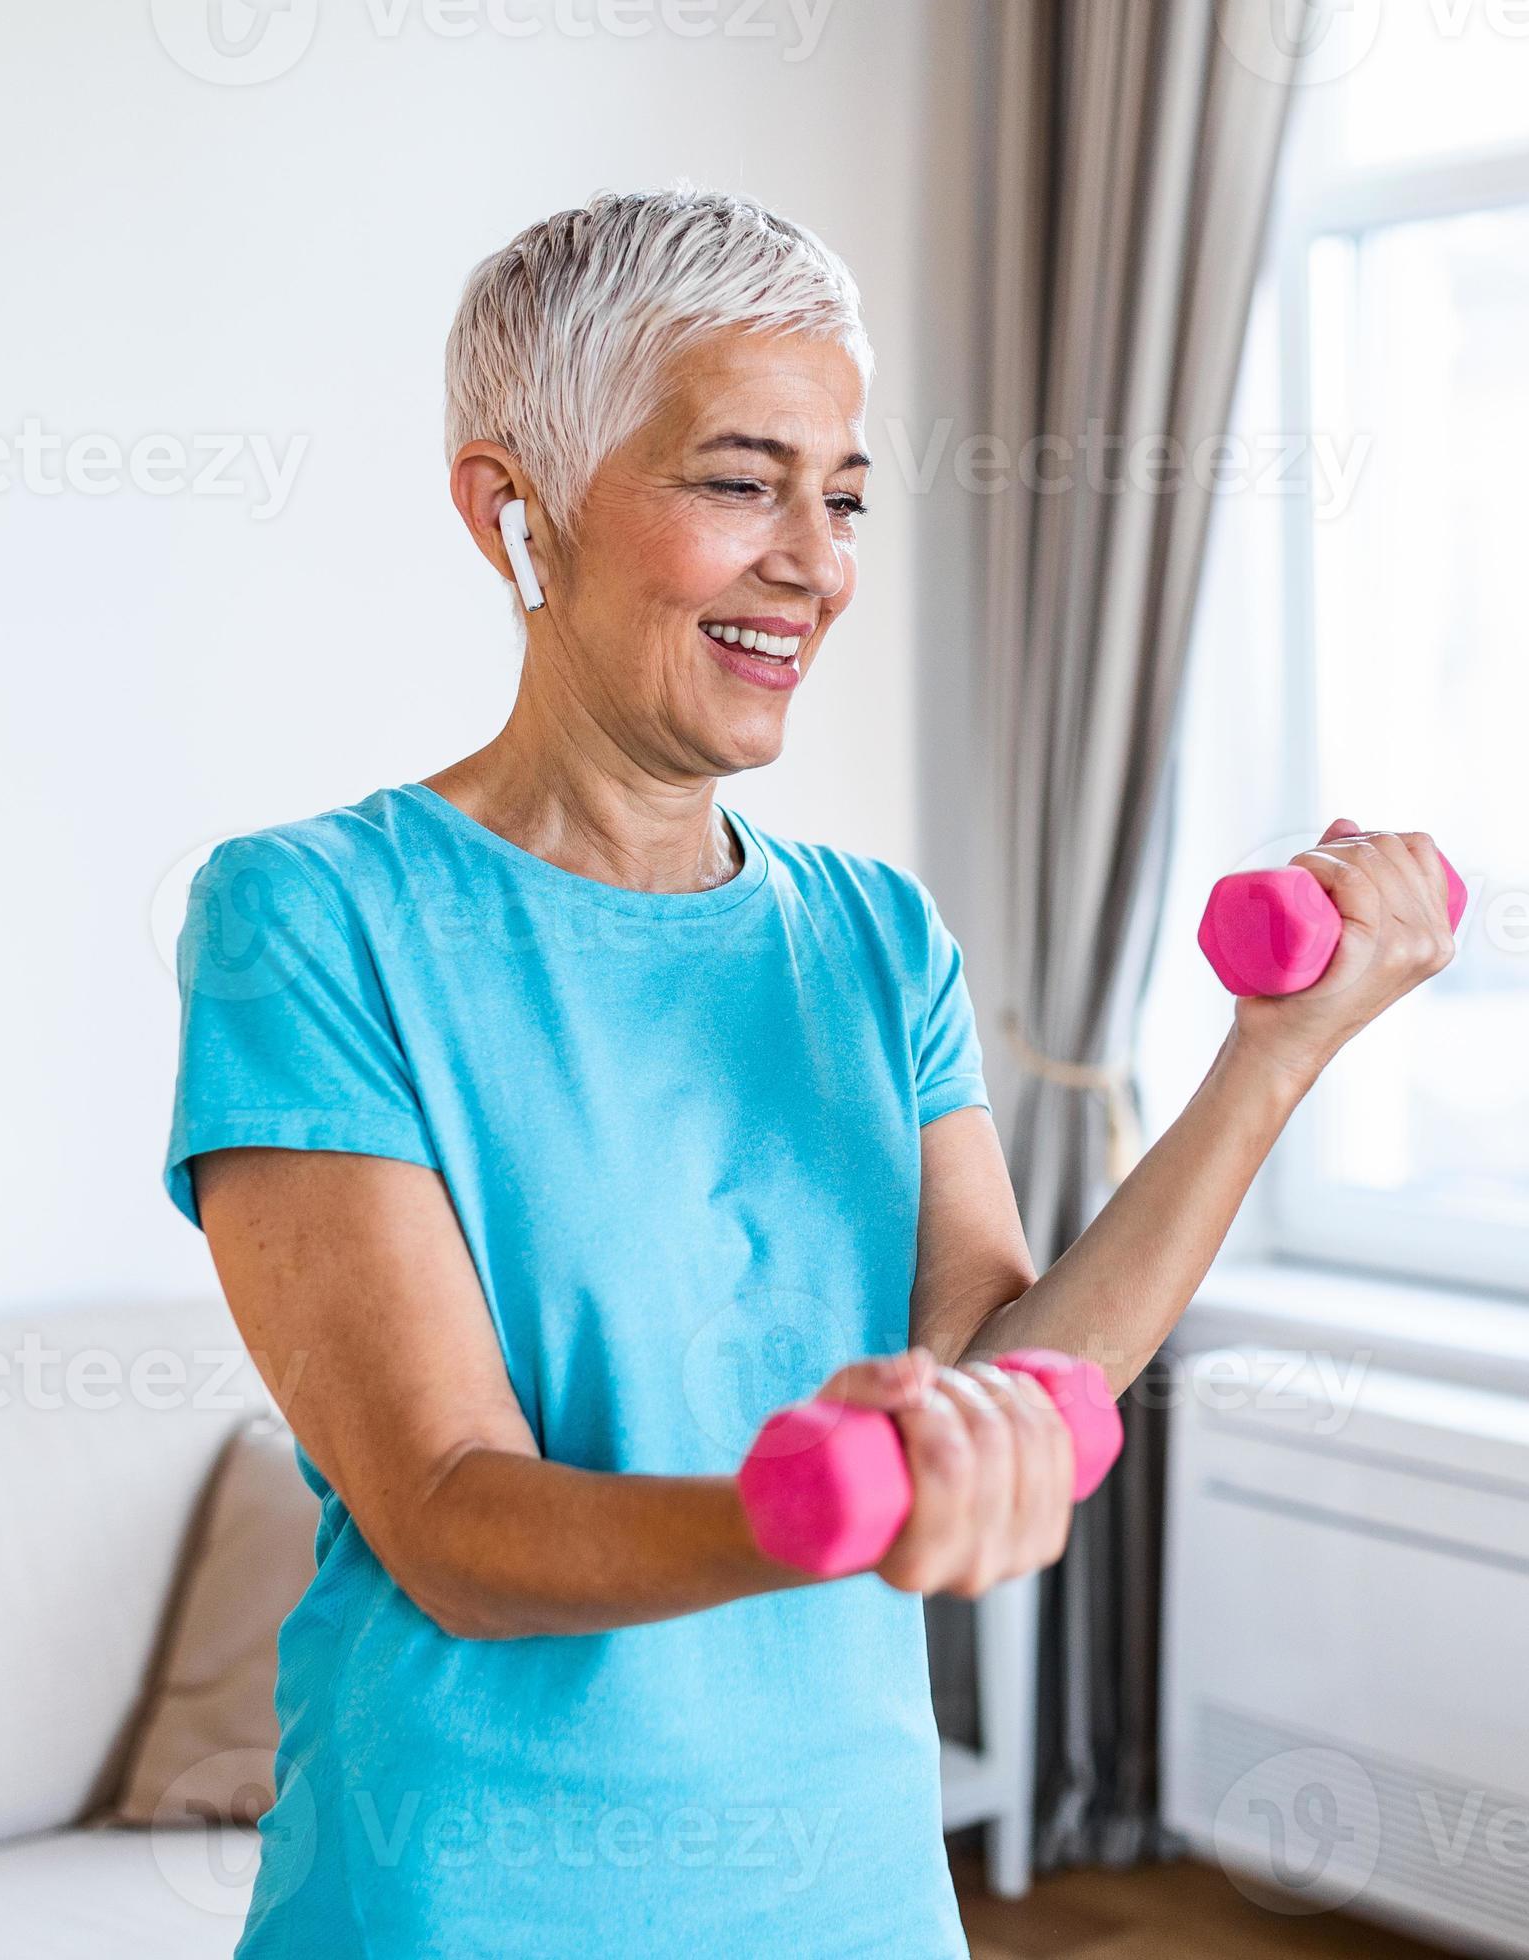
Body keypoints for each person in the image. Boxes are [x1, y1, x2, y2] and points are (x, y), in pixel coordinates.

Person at [166, 186, 1456, 1957]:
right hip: (468, 1901)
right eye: (736, 481)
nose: (816, 561)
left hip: (853, 1895)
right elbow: (454, 1520)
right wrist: (825, 1505)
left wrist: (1272, 1059)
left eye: (842, 497)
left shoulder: (872, 935)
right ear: (512, 509)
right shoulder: (311, 917)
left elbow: (1004, 1387)